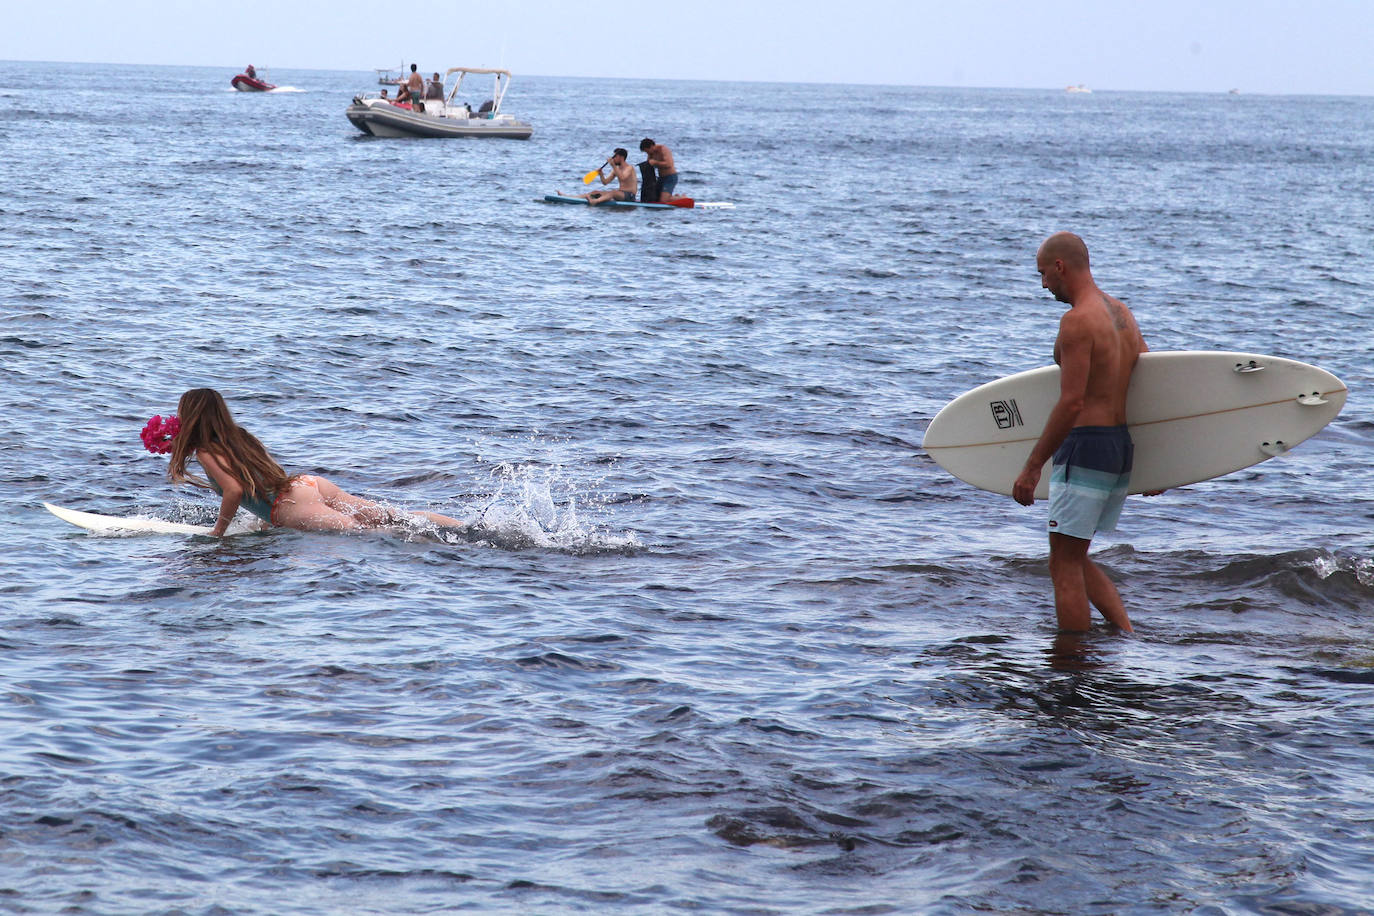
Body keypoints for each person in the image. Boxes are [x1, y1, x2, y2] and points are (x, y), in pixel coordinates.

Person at [1012, 232, 1148, 633]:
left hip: (1086, 446)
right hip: (1118, 447)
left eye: (1042, 275)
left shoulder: (1076, 322)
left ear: (1060, 267)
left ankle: (1073, 665)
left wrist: (1032, 466)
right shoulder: (1122, 313)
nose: (1043, 286)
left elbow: (1071, 402)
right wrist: (1163, 465)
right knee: (1074, 555)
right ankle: (1125, 634)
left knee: (1063, 562)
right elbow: (1149, 382)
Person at [166, 388, 470, 537]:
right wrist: (261, 519)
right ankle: (467, 529)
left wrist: (219, 531)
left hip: (290, 506)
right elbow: (265, 477)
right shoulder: (239, 436)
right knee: (392, 517)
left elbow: (233, 490)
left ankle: (460, 546)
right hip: (306, 485)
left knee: (369, 534)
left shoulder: (206, 452)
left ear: (192, 417)